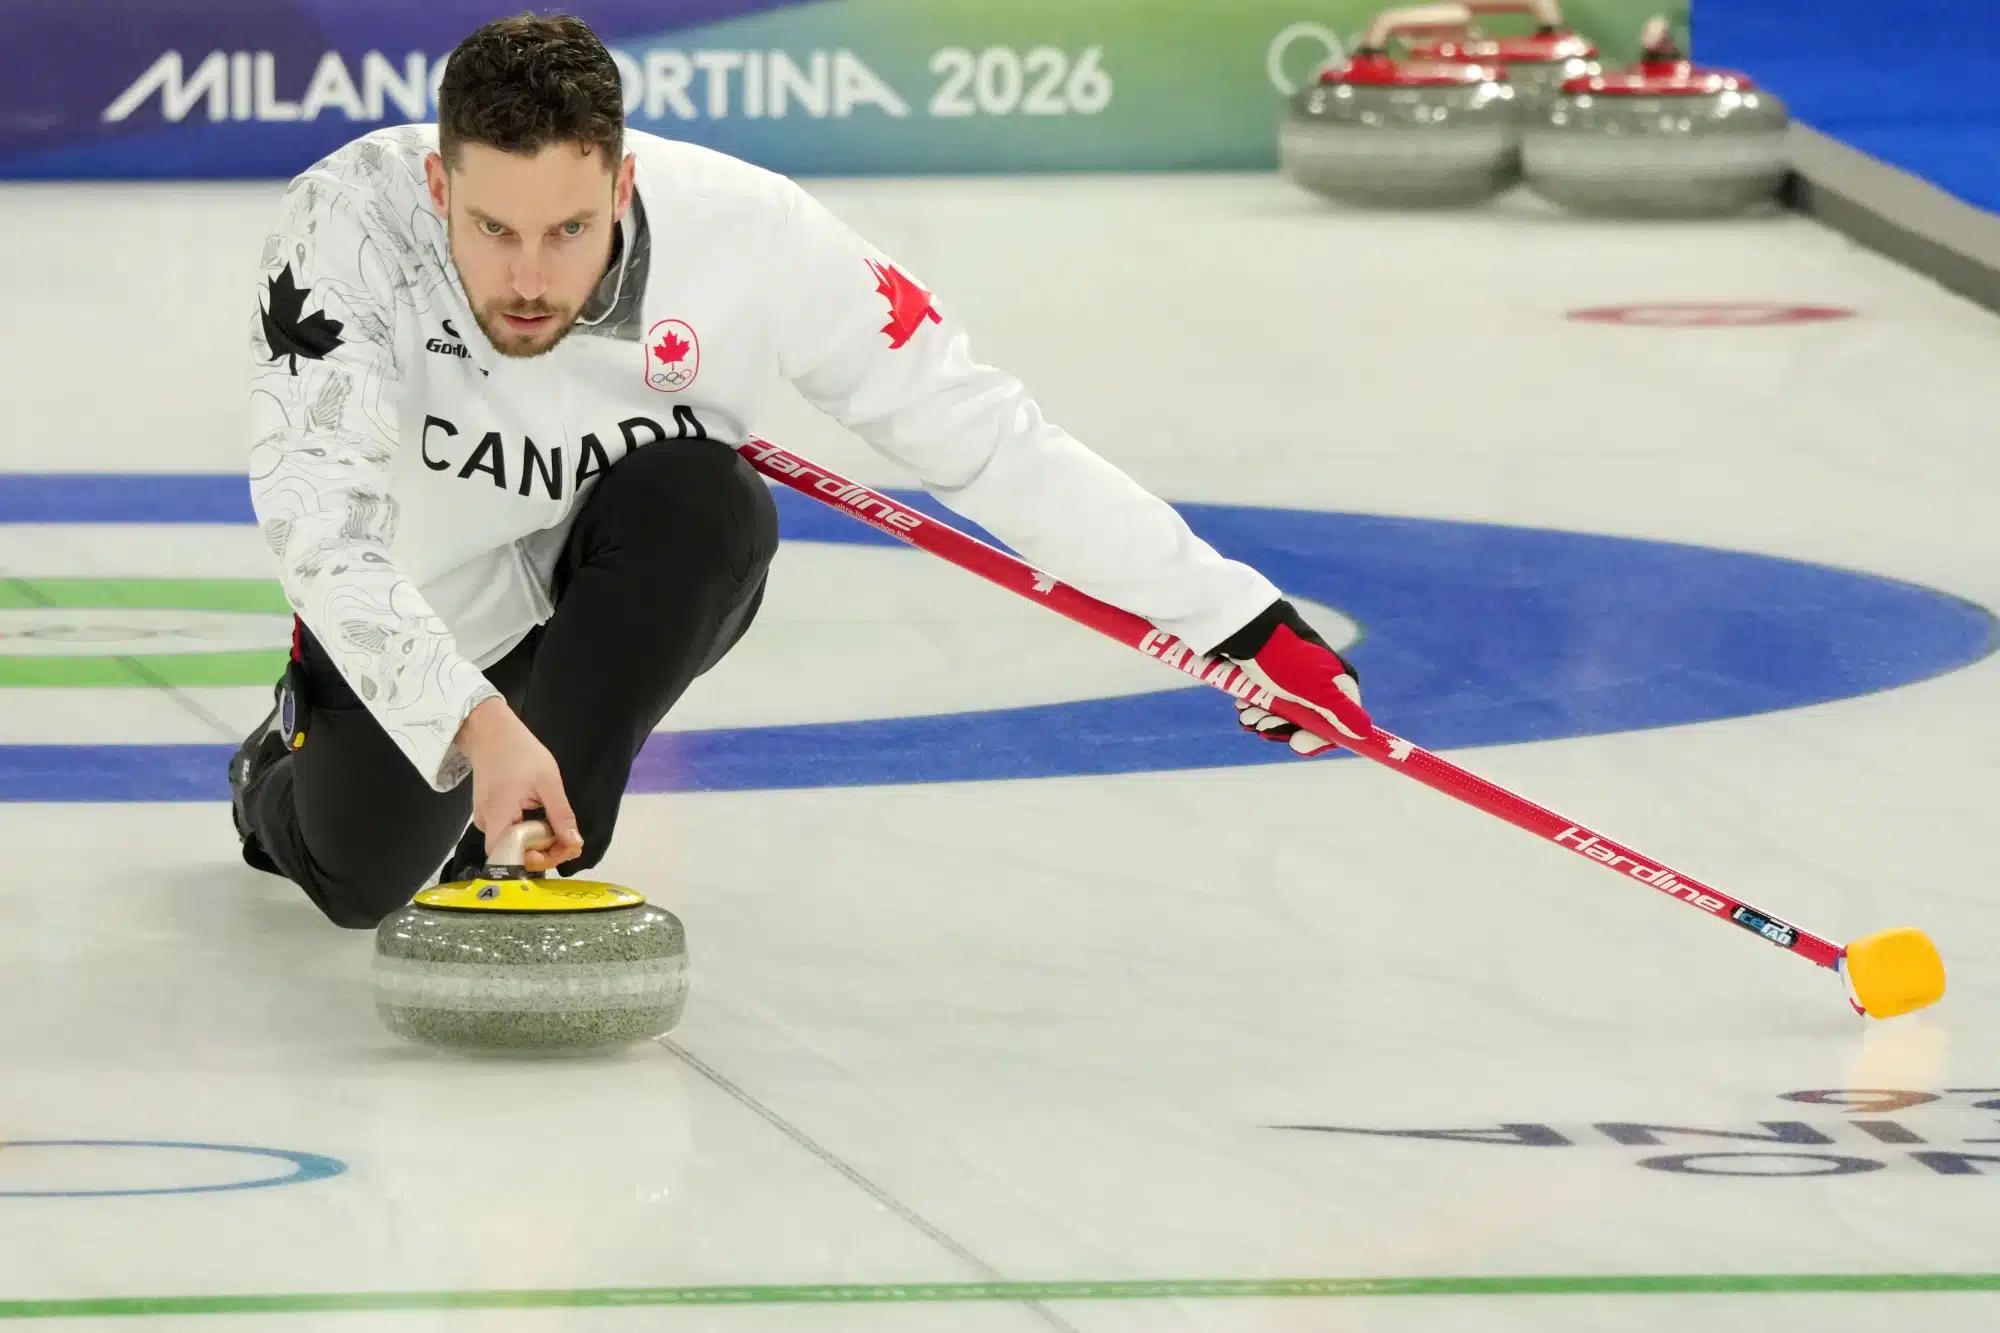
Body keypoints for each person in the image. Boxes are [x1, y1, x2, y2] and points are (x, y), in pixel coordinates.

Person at [231, 13, 1371, 929]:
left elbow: (982, 434)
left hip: (619, 556)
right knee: (357, 882)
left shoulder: (758, 238)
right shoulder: (346, 226)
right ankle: (269, 770)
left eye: (569, 231)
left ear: (622, 190)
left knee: (709, 501)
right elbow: (322, 531)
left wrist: (1240, 623)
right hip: (430, 594)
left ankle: (529, 865)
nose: (530, 276)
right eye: (492, 230)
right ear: (439, 192)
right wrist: (475, 726)